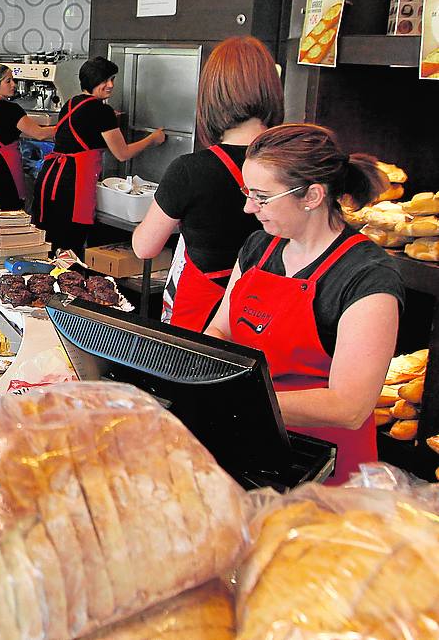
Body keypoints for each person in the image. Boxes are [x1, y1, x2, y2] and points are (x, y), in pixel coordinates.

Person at [206, 124, 404, 485]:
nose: (249, 207)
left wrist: (240, 403)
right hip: (251, 444)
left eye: (262, 197)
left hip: (326, 467)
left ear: (312, 195)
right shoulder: (258, 247)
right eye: (248, 192)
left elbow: (349, 406)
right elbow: (222, 328)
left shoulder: (367, 275)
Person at [132, 36, 284, 329]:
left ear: (212, 95)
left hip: (204, 324)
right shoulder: (294, 165)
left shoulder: (190, 170)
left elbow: (144, 247)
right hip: (271, 320)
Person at [32, 57, 165, 254]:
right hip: (72, 185)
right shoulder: (102, 112)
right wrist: (152, 139)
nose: (110, 85)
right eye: (105, 80)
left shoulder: (71, 103)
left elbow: (84, 128)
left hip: (50, 179)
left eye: (112, 79)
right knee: (70, 249)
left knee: (50, 245)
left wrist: (110, 118)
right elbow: (122, 153)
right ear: (92, 80)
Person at [0, 64, 56, 210]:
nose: (13, 85)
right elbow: (39, 134)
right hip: (4, 172)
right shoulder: (12, 110)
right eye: (8, 81)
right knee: (8, 217)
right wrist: (63, 127)